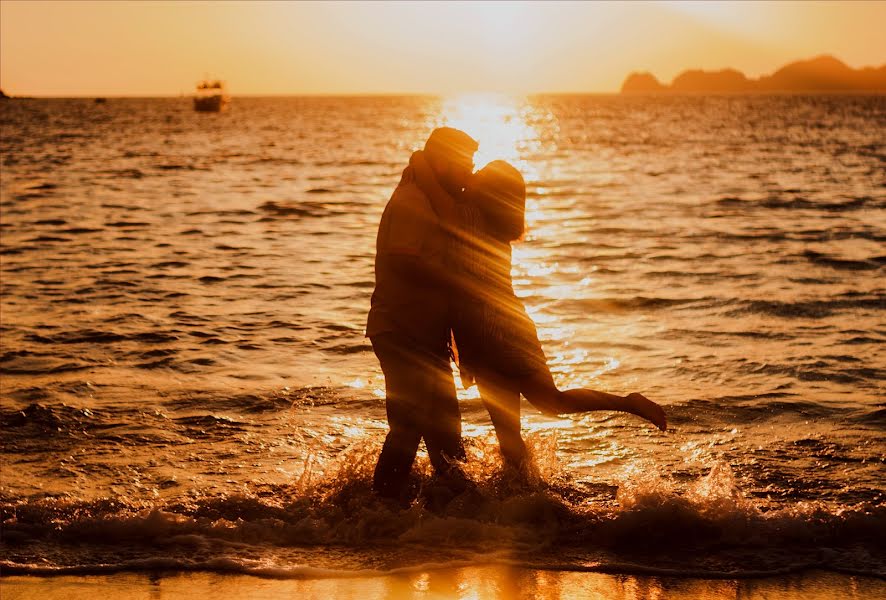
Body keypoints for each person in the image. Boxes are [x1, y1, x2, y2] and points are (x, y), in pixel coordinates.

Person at [409, 151, 667, 471]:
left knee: (517, 429)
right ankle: (624, 405)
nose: (472, 177)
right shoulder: (497, 226)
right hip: (507, 326)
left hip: (488, 332)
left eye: (480, 175)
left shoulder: (470, 217)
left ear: (488, 189)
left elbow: (439, 201)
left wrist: (420, 162)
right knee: (550, 405)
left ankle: (521, 499)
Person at [366, 127, 478, 500]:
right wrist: (459, 281)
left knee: (447, 432)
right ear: (445, 163)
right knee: (408, 424)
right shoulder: (414, 199)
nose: (469, 175)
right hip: (401, 331)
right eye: (465, 166)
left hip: (425, 336)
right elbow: (403, 259)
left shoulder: (427, 195)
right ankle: (377, 511)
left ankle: (457, 512)